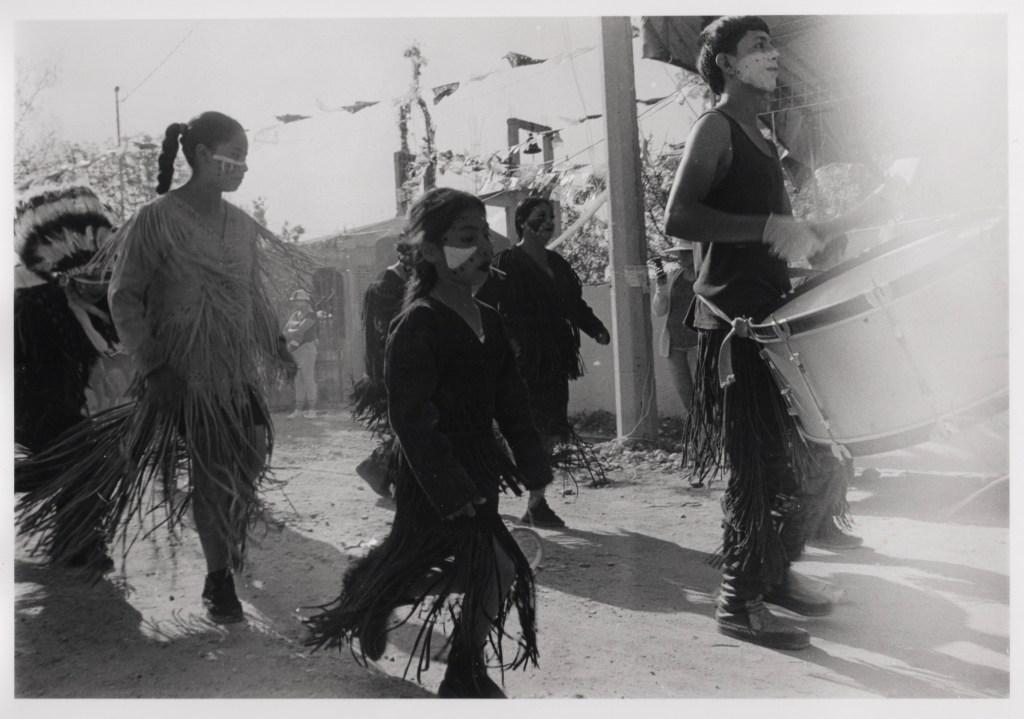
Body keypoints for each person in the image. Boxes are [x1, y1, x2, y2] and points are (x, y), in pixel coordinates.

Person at [16, 111, 300, 624]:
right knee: (214, 474)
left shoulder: (241, 225)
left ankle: (222, 532)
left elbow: (252, 293)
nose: (243, 167)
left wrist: (275, 343)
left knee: (251, 460)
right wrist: (153, 367)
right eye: (235, 156)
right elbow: (124, 296)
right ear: (202, 155)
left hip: (235, 370)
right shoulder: (154, 219)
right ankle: (219, 580)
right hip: (185, 373)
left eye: (246, 158)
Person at [305, 188, 552, 699]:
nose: (484, 247)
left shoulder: (490, 319)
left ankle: (378, 588)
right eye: (467, 237)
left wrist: (533, 462)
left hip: (478, 465)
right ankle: (461, 669)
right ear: (433, 250)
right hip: (432, 472)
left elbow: (512, 402)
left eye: (485, 235)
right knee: (497, 566)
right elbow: (410, 418)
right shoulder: (417, 323)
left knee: (475, 567)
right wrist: (447, 484)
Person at [663, 16, 848, 650]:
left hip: (769, 319)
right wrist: (770, 227)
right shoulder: (714, 128)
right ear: (726, 63)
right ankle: (737, 603)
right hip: (735, 328)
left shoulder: (763, 137)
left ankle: (773, 575)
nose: (771, 55)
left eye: (771, 44)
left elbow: (770, 239)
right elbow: (680, 217)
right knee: (761, 468)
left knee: (818, 459)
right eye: (758, 46)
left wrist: (809, 244)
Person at [476, 197, 611, 529]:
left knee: (551, 429)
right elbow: (482, 305)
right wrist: (499, 344)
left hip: (555, 360)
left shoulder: (558, 264)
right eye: (540, 217)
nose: (549, 222)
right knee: (524, 429)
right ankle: (486, 487)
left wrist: (596, 329)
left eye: (551, 217)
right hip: (521, 360)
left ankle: (536, 504)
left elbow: (574, 306)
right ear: (522, 222)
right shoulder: (505, 263)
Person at [13, 182, 122, 570]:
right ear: (69, 277)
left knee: (84, 460)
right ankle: (78, 543)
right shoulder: (33, 303)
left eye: (104, 280)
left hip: (62, 402)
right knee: (85, 458)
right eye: (91, 281)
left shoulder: (91, 309)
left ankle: (76, 540)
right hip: (31, 405)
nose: (99, 288)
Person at [351, 249, 411, 497]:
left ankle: (378, 470)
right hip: (392, 371)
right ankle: (379, 470)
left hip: (393, 369)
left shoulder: (392, 285)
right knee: (406, 426)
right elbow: (382, 336)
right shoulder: (386, 289)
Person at [651, 243, 699, 423]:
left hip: (698, 344)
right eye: (680, 253)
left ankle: (711, 431)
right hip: (674, 345)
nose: (682, 257)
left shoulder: (704, 277)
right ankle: (696, 432)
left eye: (687, 253)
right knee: (686, 396)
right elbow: (659, 311)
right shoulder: (673, 277)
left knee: (703, 392)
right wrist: (660, 289)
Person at [284, 288, 319, 419]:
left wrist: (291, 332)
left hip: (307, 348)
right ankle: (298, 409)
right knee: (298, 379)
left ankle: (312, 410)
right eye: (294, 301)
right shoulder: (295, 315)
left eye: (298, 301)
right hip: (295, 349)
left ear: (306, 302)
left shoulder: (311, 315)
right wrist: (292, 332)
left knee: (308, 378)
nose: (295, 303)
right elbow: (285, 331)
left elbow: (300, 330)